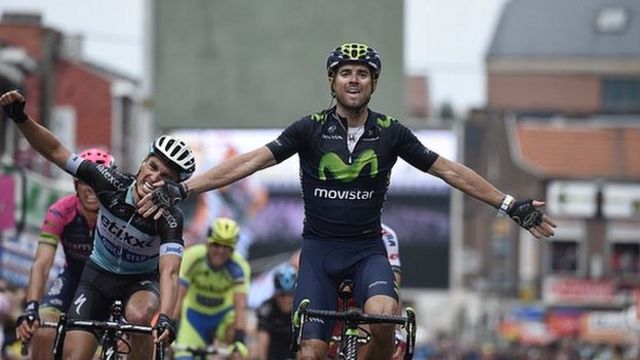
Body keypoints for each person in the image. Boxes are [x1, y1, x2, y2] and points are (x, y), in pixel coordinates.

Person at [137, 42, 557, 360]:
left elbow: (448, 169)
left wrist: (508, 205)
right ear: (332, 81)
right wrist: (185, 187)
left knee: (383, 314)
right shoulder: (310, 129)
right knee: (312, 353)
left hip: (366, 250)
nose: (353, 79)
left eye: (362, 73)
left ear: (373, 83)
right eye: (345, 73)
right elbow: (250, 162)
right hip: (318, 253)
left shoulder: (391, 132)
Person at [0, 90, 195, 360]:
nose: (154, 177)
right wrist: (22, 119)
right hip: (96, 277)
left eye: (165, 176)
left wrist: (166, 319)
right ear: (142, 162)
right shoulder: (108, 182)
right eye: (152, 166)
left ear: (173, 185)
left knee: (138, 316)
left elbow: (170, 273)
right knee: (74, 355)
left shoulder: (171, 217)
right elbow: (56, 151)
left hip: (139, 282)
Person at [15, 148, 116, 360]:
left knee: (128, 337)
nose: (90, 189)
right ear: (75, 184)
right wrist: (32, 306)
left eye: (96, 181)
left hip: (112, 285)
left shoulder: (119, 214)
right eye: (83, 181)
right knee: (43, 329)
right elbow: (42, 263)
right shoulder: (60, 211)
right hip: (73, 279)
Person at [173, 217, 251, 360]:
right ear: (208, 243)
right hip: (194, 316)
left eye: (227, 247)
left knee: (237, 348)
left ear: (233, 249)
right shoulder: (193, 257)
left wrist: (240, 339)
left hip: (222, 317)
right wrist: (170, 324)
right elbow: (178, 295)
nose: (220, 251)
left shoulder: (240, 267)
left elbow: (241, 305)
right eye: (216, 244)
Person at [254, 264, 297, 360]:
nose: (286, 299)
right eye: (282, 295)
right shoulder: (266, 308)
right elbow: (262, 340)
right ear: (275, 294)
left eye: (290, 295)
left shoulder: (302, 309)